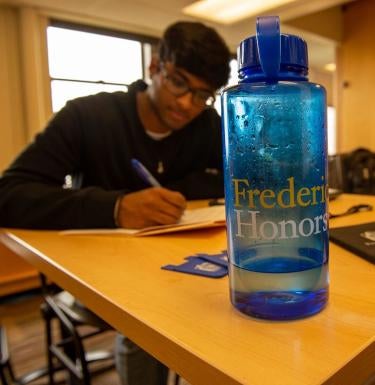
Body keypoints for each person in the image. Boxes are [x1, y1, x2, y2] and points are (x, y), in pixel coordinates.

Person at [0, 21, 230, 384]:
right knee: (151, 319)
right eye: (179, 82)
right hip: (95, 276)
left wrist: (182, 189)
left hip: (186, 266)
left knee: (230, 307)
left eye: (203, 95)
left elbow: (234, 177)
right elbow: (9, 195)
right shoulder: (87, 117)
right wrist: (115, 208)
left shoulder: (207, 125)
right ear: (155, 67)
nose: (188, 104)